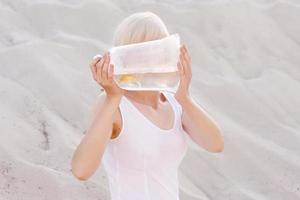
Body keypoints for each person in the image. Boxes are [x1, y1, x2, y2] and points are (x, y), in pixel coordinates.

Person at [71, 11, 224, 200]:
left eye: (160, 49)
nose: (154, 57)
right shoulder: (114, 103)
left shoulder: (173, 100)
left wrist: (185, 98)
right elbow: (81, 170)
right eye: (145, 51)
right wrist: (112, 98)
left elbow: (215, 144)